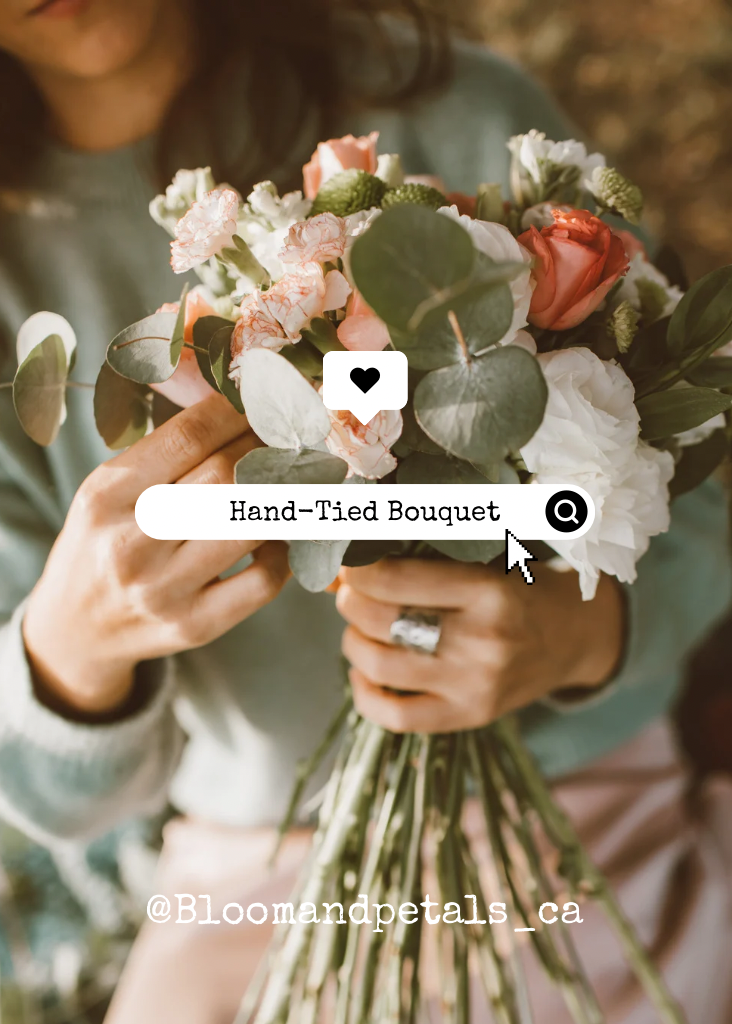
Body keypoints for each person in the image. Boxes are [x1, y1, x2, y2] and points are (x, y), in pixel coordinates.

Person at [0, 1, 730, 1022]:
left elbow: (698, 510)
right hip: (250, 886)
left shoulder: (451, 108)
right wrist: (68, 654)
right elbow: (47, 797)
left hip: (590, 826)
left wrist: (578, 633)